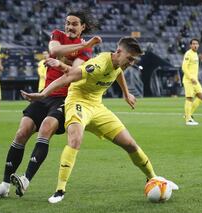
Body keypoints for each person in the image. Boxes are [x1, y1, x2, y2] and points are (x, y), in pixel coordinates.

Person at [21, 36, 179, 204]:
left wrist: (126, 94)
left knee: (130, 144)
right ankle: (60, 190)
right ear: (118, 52)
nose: (131, 63)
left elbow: (118, 73)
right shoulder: (97, 64)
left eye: (134, 60)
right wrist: (43, 94)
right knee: (75, 139)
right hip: (78, 102)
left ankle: (154, 178)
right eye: (129, 58)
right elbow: (68, 77)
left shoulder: (118, 62)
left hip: (97, 106)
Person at [0, 10, 101, 198]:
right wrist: (79, 47)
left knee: (45, 128)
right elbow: (54, 50)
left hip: (66, 98)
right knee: (22, 132)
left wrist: (62, 63)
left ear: (83, 27)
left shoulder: (87, 51)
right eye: (68, 23)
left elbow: (73, 72)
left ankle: (25, 179)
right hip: (45, 95)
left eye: (74, 24)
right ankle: (4, 185)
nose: (69, 27)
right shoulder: (58, 35)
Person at [181, 38, 202, 126]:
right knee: (189, 98)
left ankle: (188, 114)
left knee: (201, 97)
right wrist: (191, 77)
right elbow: (184, 67)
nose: (195, 45)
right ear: (190, 45)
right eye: (193, 44)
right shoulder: (188, 54)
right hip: (189, 80)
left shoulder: (196, 54)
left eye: (197, 44)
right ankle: (188, 120)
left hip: (195, 80)